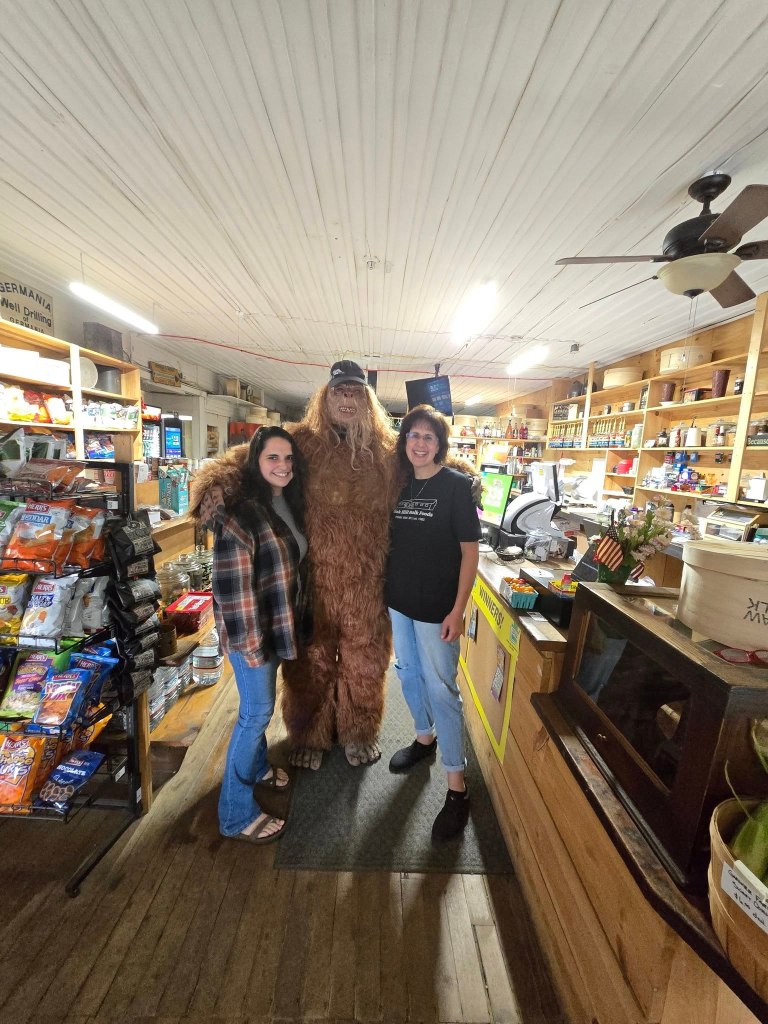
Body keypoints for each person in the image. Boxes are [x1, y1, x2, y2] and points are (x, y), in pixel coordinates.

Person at [384, 405, 480, 842]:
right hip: (399, 603)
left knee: (442, 689)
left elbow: (470, 553)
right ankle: (424, 739)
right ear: (404, 442)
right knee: (407, 674)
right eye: (413, 436)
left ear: (439, 444)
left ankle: (457, 786)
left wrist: (458, 610)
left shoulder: (456, 486)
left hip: (438, 609)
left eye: (428, 437)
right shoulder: (399, 485)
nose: (420, 443)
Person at [210, 426, 309, 844]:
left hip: (276, 625)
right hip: (253, 634)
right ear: (256, 461)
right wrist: (252, 649)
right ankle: (235, 816)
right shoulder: (241, 515)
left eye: (288, 458)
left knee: (258, 710)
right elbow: (231, 592)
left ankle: (256, 768)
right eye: (273, 457)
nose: (283, 466)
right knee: (255, 714)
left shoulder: (283, 502)